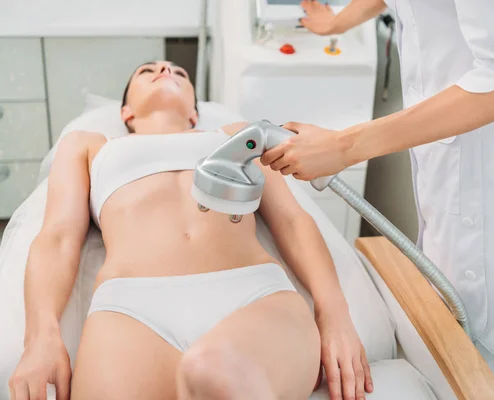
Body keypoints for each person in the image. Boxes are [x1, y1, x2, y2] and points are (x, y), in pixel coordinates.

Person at [8, 61, 373, 400]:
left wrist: (334, 314)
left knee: (214, 372)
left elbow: (293, 221)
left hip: (254, 296)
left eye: (179, 72)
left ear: (195, 112)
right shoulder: (90, 146)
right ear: (126, 112)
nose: (165, 68)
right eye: (147, 71)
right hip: (130, 311)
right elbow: (57, 237)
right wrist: (41, 337)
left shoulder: (236, 135)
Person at [260, 1, 494, 399]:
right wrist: (339, 20)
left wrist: (344, 146)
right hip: (450, 171)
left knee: (482, 367)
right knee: (445, 341)